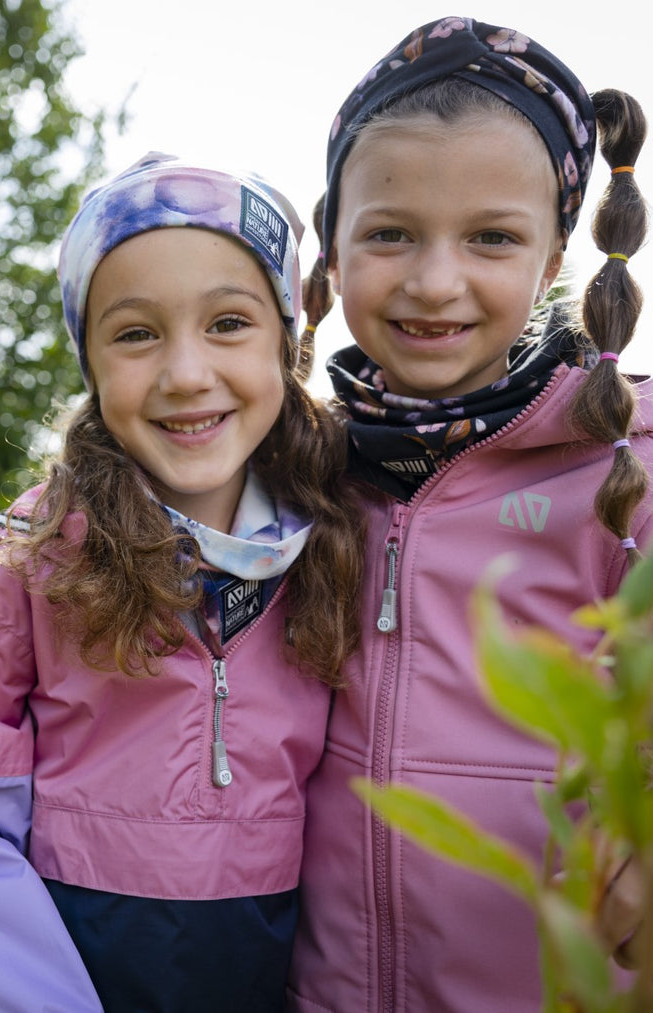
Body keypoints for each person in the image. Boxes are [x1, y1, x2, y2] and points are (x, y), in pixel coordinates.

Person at [0, 152, 366, 1012]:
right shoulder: (8, 573)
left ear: (287, 339)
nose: (186, 373)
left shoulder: (342, 542)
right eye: (135, 333)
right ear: (89, 362)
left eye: (229, 323)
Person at [286, 17, 653, 1013]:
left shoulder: (634, 465)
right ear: (336, 243)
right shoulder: (280, 467)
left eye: (491, 236)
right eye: (391, 231)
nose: (434, 281)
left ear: (552, 262)